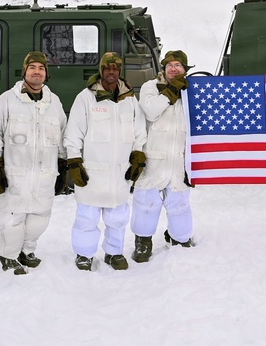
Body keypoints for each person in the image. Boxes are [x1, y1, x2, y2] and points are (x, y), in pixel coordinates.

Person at [0, 51, 67, 275]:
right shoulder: (7, 100)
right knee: (12, 220)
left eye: (41, 69)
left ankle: (27, 250)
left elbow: (61, 133)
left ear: (46, 74)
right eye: (33, 68)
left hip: (44, 174)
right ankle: (8, 255)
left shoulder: (54, 103)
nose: (37, 72)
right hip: (15, 174)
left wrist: (63, 163)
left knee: (39, 218)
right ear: (25, 71)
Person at [65, 52, 146, 271]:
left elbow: (139, 131)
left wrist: (138, 154)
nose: (112, 72)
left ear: (120, 71)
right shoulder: (85, 97)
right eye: (107, 68)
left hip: (119, 172)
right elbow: (74, 133)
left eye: (116, 68)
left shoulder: (130, 99)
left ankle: (114, 253)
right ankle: (84, 255)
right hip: (93, 171)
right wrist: (73, 160)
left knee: (117, 217)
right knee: (87, 218)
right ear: (101, 71)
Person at [131, 51, 197, 261]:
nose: (174, 68)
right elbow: (150, 112)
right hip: (154, 157)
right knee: (146, 203)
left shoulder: (192, 90)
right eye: (169, 65)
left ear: (185, 69)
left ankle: (180, 238)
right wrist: (170, 92)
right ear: (163, 68)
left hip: (179, 158)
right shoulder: (151, 87)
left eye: (178, 65)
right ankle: (143, 241)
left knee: (179, 203)